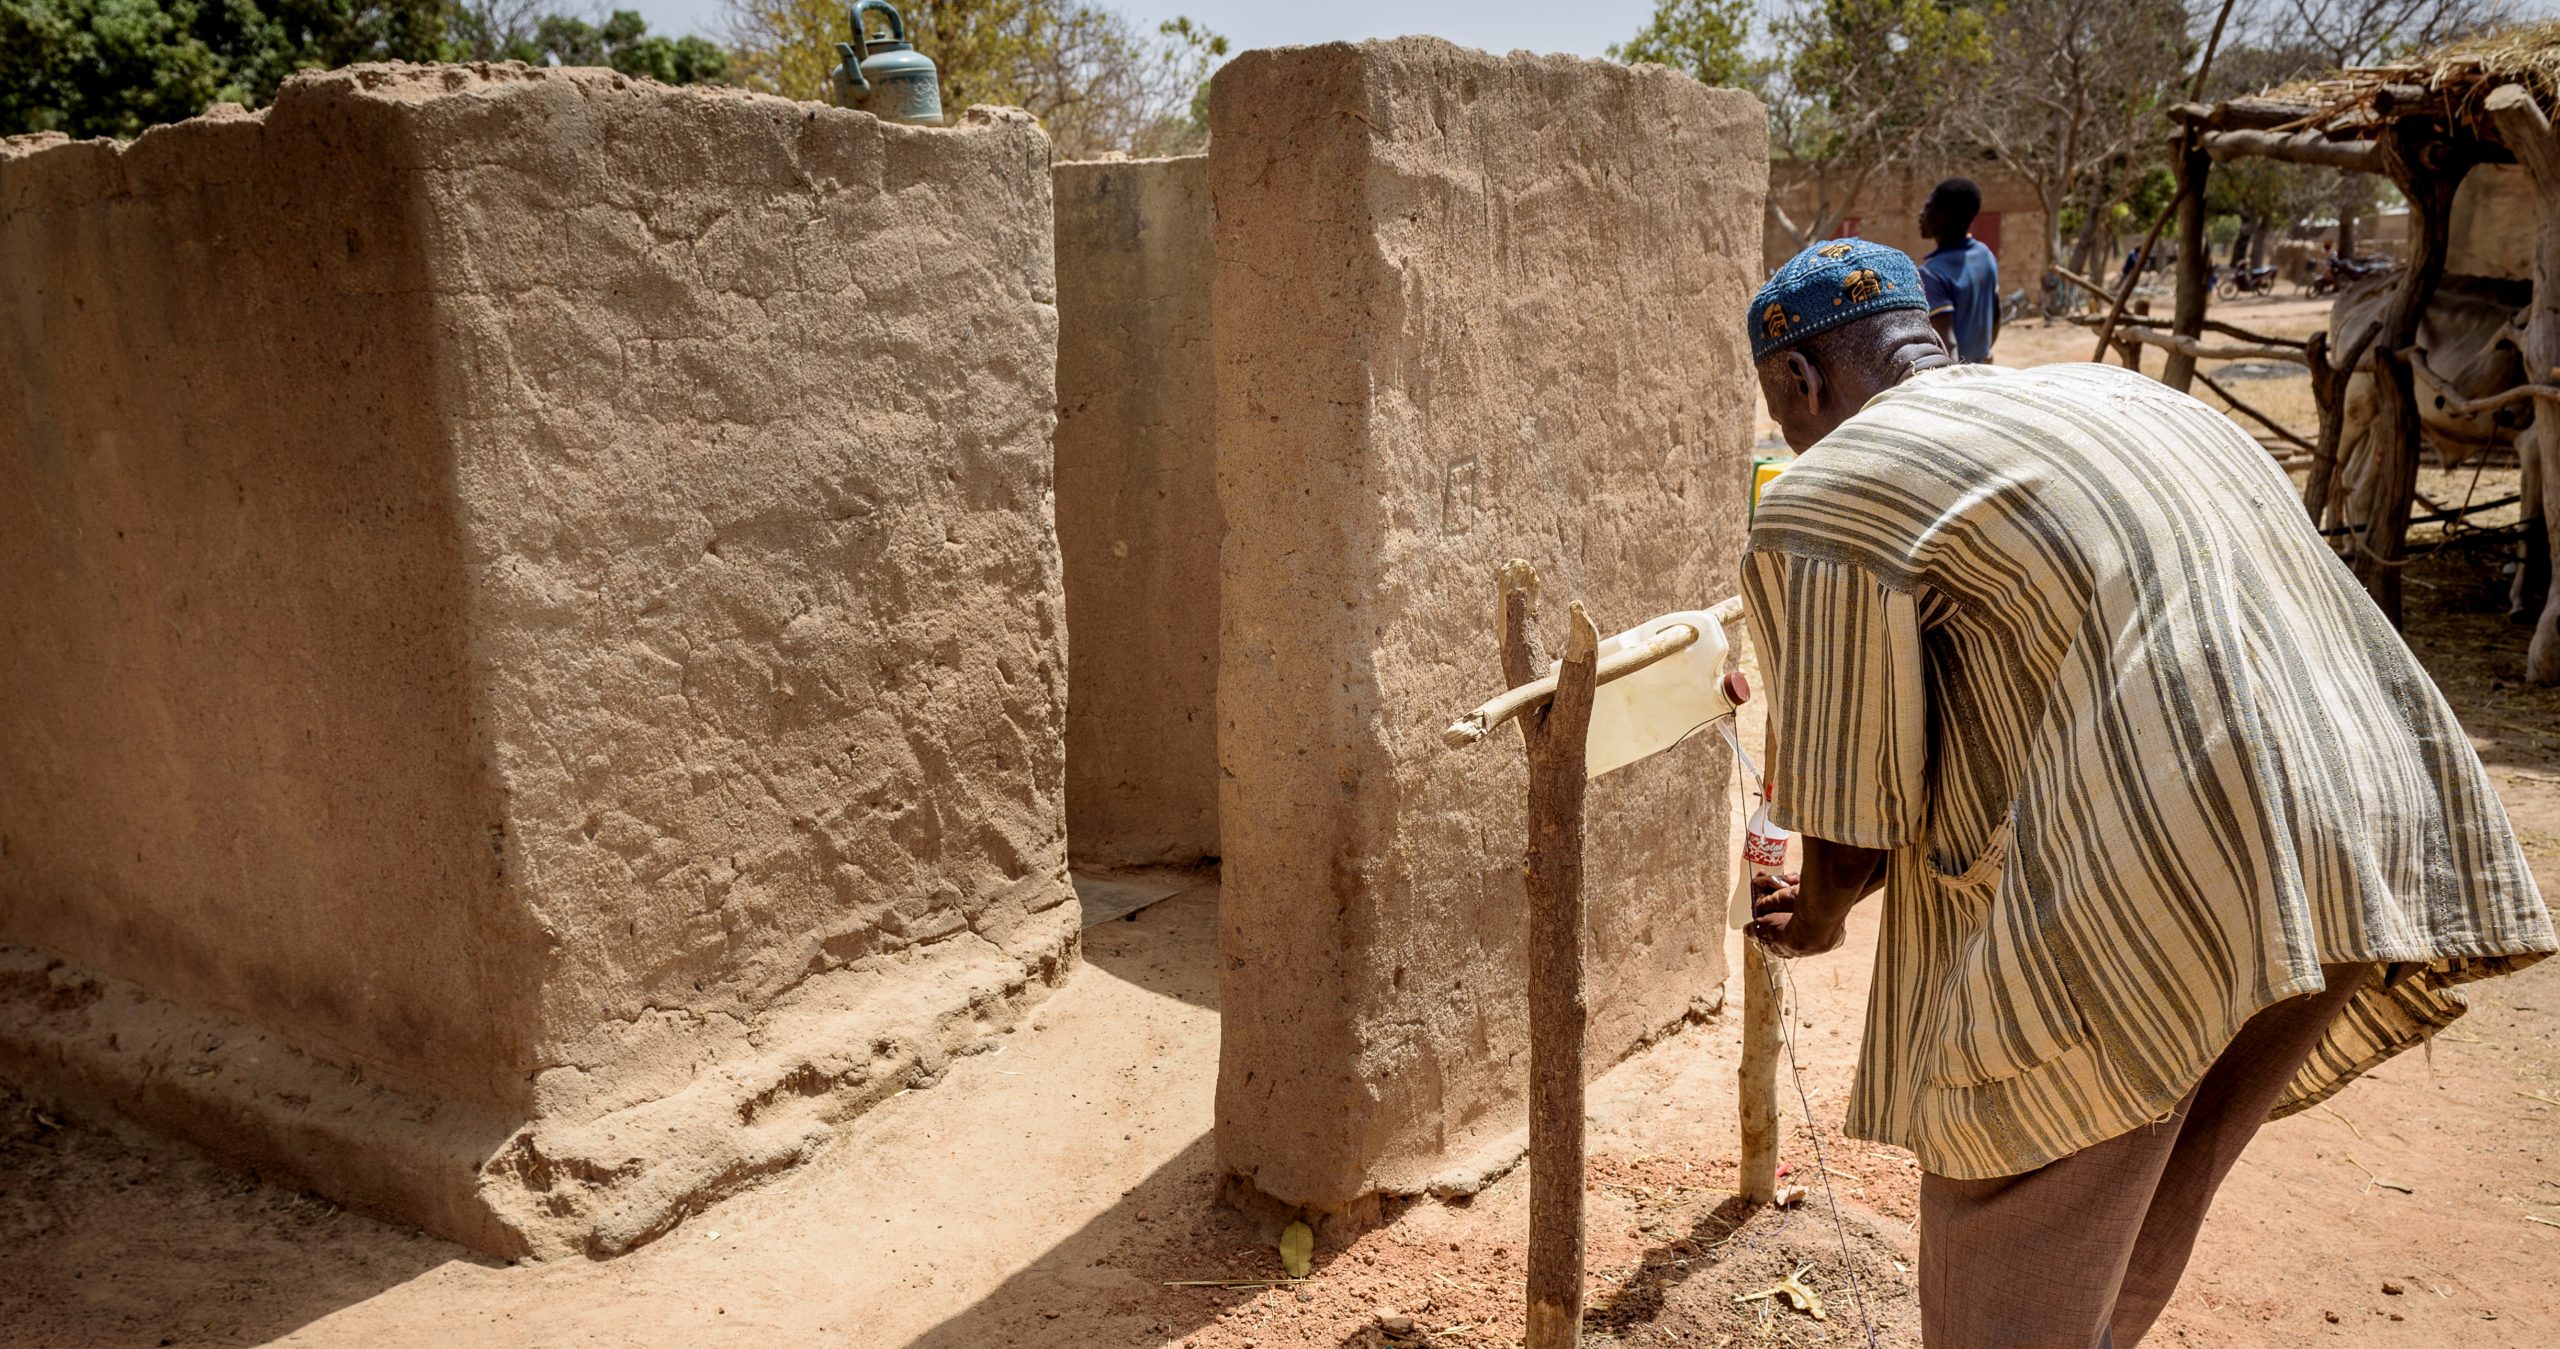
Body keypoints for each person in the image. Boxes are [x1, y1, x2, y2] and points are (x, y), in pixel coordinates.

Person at [1739, 239, 2554, 1348]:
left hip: (2154, 888)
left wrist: (1819, 916)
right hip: (2352, 849)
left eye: (1781, 406)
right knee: (2123, 1230)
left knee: (2013, 1215)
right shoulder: (2120, 395)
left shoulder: (1829, 491)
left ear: (1797, 380)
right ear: (1929, 328)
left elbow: (1851, 818)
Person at [1916, 177, 1999, 362]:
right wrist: (1984, 356)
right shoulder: (1985, 255)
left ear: (1943, 215)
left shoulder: (1932, 273)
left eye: (1928, 207)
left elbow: (1948, 345)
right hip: (1984, 370)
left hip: (1959, 381)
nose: (1921, 213)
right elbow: (1995, 320)